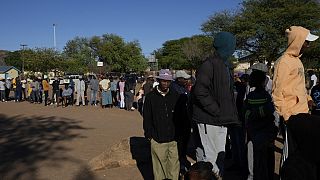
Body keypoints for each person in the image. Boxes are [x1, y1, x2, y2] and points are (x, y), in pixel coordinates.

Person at [272, 26, 320, 179]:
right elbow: (277, 94)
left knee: (303, 153)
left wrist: (309, 99)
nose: (308, 45)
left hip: (303, 115)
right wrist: (287, 117)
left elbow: (298, 87)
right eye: (306, 41)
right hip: (292, 117)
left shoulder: (298, 62)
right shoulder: (283, 62)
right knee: (289, 155)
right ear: (297, 41)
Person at [192, 32, 240, 179]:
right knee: (211, 157)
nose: (233, 49)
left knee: (221, 156)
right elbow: (200, 91)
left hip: (221, 119)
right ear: (225, 45)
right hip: (209, 118)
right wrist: (216, 110)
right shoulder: (209, 64)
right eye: (232, 45)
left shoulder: (226, 65)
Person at [143, 69, 180, 180]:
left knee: (174, 168)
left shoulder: (175, 95)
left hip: (173, 139)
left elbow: (180, 117)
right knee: (159, 170)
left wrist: (179, 134)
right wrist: (149, 135)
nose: (166, 83)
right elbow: (147, 118)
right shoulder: (150, 97)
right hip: (157, 139)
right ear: (159, 81)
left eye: (168, 81)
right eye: (163, 81)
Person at [244, 70, 277, 180]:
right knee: (266, 160)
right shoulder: (266, 96)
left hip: (253, 132)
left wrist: (253, 115)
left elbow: (245, 112)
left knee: (255, 159)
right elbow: (270, 111)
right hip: (265, 132)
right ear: (263, 82)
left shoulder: (250, 96)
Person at [171, 70, 192, 175]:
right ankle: (179, 165)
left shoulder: (184, 88)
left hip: (186, 121)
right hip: (178, 122)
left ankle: (182, 161)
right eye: (184, 79)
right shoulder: (174, 89)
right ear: (179, 79)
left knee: (184, 144)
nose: (186, 80)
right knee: (179, 145)